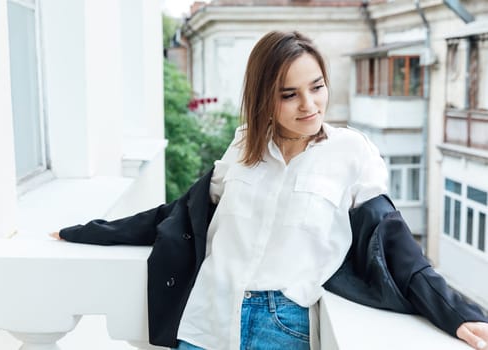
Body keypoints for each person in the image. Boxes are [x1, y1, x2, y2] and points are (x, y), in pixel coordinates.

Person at [51, 31, 488, 350]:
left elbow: (396, 249)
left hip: (284, 324)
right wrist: (89, 230)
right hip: (209, 316)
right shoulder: (244, 146)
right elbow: (179, 214)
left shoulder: (351, 153)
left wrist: (457, 314)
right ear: (264, 98)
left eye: (316, 87)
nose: (310, 105)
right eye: (289, 94)